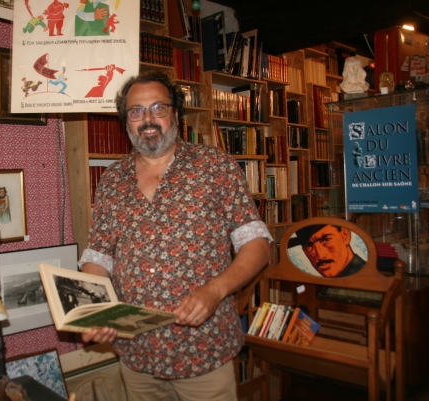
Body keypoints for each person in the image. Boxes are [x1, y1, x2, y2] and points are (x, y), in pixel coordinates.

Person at [78, 71, 272, 401]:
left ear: (176, 115)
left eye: (158, 108)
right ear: (126, 121)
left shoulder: (216, 167)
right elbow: (99, 257)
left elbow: (258, 245)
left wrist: (214, 291)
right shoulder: (111, 180)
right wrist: (99, 309)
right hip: (136, 353)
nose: (148, 119)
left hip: (203, 351)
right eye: (136, 111)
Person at [288, 224, 366, 278]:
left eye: (326, 239)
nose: (320, 255)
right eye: (309, 245)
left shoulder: (365, 278)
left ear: (345, 235)